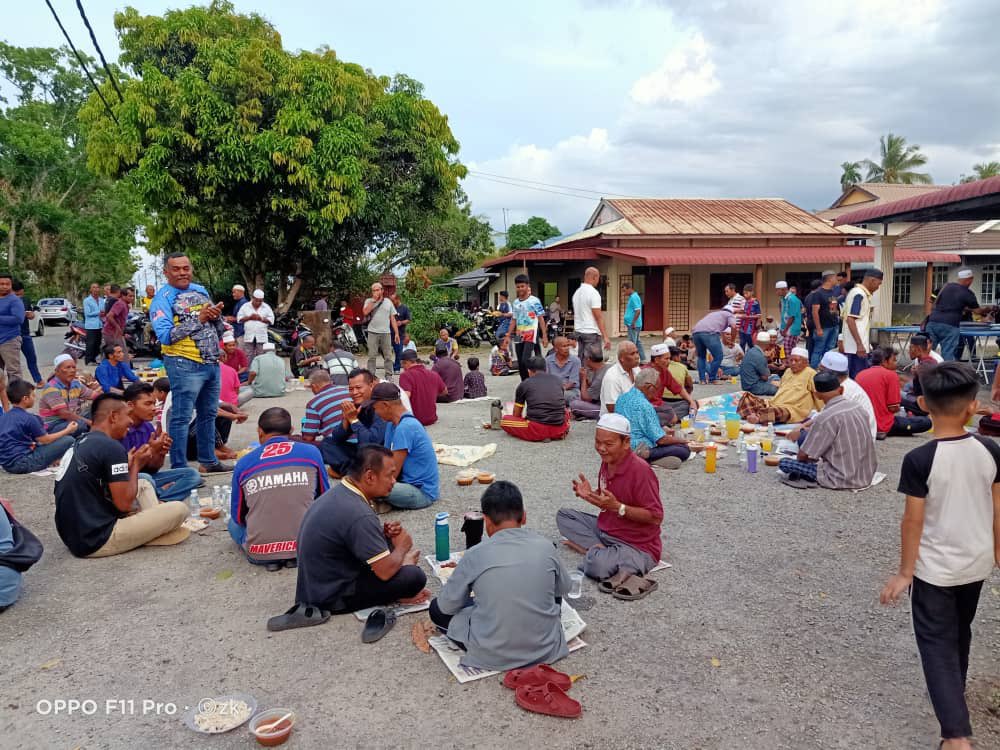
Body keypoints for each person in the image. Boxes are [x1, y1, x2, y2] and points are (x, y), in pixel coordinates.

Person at [879, 362, 1000, 750]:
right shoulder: (989, 449)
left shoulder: (920, 459)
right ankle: (955, 702)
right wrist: (998, 551)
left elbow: (912, 521)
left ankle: (955, 736)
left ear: (921, 405)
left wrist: (904, 572)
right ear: (972, 408)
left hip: (934, 570)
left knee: (935, 643)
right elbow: (999, 508)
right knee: (959, 633)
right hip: (977, 562)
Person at [268, 445, 428, 630]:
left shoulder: (342, 492)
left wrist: (383, 536)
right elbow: (384, 572)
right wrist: (402, 549)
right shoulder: (358, 513)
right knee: (414, 577)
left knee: (389, 548)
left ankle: (399, 566)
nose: (393, 481)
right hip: (333, 595)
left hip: (318, 583)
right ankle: (399, 581)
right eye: (389, 475)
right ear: (369, 477)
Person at [429, 481, 571, 671]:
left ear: (486, 521)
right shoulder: (546, 546)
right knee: (551, 589)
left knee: (436, 609)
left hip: (491, 653)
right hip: (545, 648)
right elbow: (564, 588)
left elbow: (447, 606)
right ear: (524, 516)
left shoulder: (475, 554)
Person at [53, 394, 190, 558]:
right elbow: (124, 505)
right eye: (127, 416)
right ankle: (152, 531)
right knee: (179, 509)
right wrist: (137, 465)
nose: (131, 422)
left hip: (74, 537)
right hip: (98, 539)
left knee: (143, 484)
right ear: (113, 417)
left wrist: (131, 464)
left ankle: (151, 526)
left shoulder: (82, 441)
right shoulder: (111, 447)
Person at [556, 413, 663, 589]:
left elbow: (655, 516)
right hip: (606, 530)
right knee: (564, 516)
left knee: (597, 567)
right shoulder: (608, 461)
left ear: (626, 443)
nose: (601, 448)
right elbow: (608, 501)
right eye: (598, 442)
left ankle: (593, 552)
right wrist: (590, 495)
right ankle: (600, 551)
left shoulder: (641, 471)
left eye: (608, 444)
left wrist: (618, 507)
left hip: (636, 545)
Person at [149, 253, 230, 473]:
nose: (183, 272)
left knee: (209, 414)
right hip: (184, 364)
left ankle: (208, 460)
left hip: (210, 363)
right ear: (166, 272)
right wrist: (200, 319)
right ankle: (179, 468)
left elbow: (213, 325)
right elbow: (166, 336)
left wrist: (216, 322)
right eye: (176, 269)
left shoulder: (200, 290)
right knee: (182, 417)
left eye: (186, 268)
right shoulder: (162, 299)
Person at [230, 407, 329, 571]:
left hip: (259, 552)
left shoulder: (244, 463)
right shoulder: (311, 452)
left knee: (232, 525)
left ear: (259, 431)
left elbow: (238, 516)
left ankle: (272, 558)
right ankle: (292, 555)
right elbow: (324, 498)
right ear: (291, 431)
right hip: (306, 546)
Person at [776, 371, 877, 489]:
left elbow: (802, 456)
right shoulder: (858, 407)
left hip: (840, 477)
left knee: (784, 463)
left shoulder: (825, 417)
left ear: (817, 395)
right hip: (867, 473)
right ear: (841, 390)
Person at [121, 383, 203, 502]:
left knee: (192, 474)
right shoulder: (121, 429)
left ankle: (160, 499)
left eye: (154, 403)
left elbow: (153, 469)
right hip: (127, 480)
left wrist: (160, 453)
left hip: (147, 477)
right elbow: (124, 472)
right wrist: (151, 449)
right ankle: (158, 495)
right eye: (148, 404)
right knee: (145, 478)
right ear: (130, 405)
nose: (154, 408)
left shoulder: (148, 427)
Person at [370, 383, 439, 509]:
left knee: (371, 485)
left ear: (385, 406)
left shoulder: (406, 427)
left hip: (421, 492)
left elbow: (392, 473)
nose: (375, 413)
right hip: (405, 484)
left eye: (375, 408)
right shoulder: (393, 424)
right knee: (367, 480)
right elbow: (385, 458)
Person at [614, 369, 691, 469]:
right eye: (657, 389)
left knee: (676, 454)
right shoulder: (645, 405)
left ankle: (648, 459)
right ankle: (645, 456)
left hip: (621, 445)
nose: (656, 394)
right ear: (649, 387)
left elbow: (639, 424)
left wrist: (661, 429)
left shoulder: (622, 397)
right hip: (639, 446)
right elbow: (661, 440)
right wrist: (682, 441)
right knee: (684, 450)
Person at [318, 368, 388, 476]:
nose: (354, 392)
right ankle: (353, 471)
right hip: (363, 451)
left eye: (358, 388)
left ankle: (352, 473)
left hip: (380, 454)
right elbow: (337, 438)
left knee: (365, 451)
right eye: (351, 389)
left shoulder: (381, 406)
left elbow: (371, 443)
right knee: (327, 443)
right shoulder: (360, 405)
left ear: (371, 386)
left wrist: (354, 420)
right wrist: (347, 419)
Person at [0, 379, 77, 474]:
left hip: (6, 464)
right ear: (25, 399)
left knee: (44, 442)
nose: (34, 398)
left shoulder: (4, 416)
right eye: (32, 395)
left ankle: (53, 459)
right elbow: (45, 440)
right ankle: (55, 460)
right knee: (68, 440)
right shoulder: (29, 418)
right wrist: (68, 430)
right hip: (23, 463)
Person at [856, 347, 932, 439]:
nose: (896, 364)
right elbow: (893, 408)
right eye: (894, 360)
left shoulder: (860, 375)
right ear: (884, 361)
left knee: (906, 403)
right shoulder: (890, 375)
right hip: (883, 425)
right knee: (926, 422)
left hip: (864, 425)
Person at [739, 347, 820, 425]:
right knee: (747, 397)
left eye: (796, 361)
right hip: (775, 402)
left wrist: (820, 411)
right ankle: (755, 414)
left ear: (806, 362)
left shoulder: (811, 374)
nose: (793, 363)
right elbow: (782, 387)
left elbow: (818, 394)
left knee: (778, 413)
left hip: (793, 408)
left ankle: (757, 416)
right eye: (791, 360)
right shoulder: (788, 371)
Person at [926, 268, 992, 362]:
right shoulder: (967, 293)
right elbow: (978, 311)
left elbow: (931, 300)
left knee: (928, 351)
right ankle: (947, 374)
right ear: (970, 279)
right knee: (948, 354)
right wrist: (988, 309)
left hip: (932, 322)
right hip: (950, 325)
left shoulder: (945, 286)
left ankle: (924, 372)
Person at [501, 355, 570, 442]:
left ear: (529, 371)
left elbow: (517, 414)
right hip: (559, 428)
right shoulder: (558, 380)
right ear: (546, 369)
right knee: (566, 412)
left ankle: (543, 436)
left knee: (504, 420)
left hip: (537, 429)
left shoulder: (524, 384)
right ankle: (556, 434)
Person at [818, 350, 877, 440]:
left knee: (805, 438)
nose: (818, 374)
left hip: (855, 441)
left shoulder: (845, 390)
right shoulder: (840, 385)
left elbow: (828, 422)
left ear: (829, 374)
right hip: (848, 433)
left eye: (821, 371)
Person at [38, 354, 100, 436]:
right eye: (67, 367)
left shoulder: (75, 383)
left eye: (74, 367)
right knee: (80, 425)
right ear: (57, 371)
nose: (72, 370)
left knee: (99, 409)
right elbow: (64, 414)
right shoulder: (51, 387)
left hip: (70, 420)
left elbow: (95, 396)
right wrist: (91, 423)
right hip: (54, 425)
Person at [505, 274, 549, 382]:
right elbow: (514, 320)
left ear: (527, 286)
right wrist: (508, 335)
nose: (520, 289)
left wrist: (544, 335)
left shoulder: (535, 301)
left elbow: (541, 319)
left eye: (522, 286)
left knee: (525, 360)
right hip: (519, 334)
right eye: (518, 286)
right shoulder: (515, 302)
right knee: (520, 361)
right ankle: (524, 383)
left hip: (531, 332)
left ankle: (533, 380)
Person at [843, 269, 883, 377]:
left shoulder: (859, 293)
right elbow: (850, 319)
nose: (878, 287)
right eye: (878, 284)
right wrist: (859, 344)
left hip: (856, 346)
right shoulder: (859, 294)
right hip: (856, 347)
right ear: (872, 280)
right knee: (858, 377)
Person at [644, 343, 697, 423]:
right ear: (656, 360)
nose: (669, 362)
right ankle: (663, 420)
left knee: (689, 404)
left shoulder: (664, 371)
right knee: (667, 412)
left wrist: (692, 402)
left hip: (660, 405)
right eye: (666, 359)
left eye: (669, 358)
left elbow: (679, 389)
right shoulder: (644, 372)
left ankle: (666, 419)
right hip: (648, 407)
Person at [301, 370, 351, 445]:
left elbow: (308, 437)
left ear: (314, 386)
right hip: (360, 439)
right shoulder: (347, 391)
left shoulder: (313, 403)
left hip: (338, 445)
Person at [399, 349, 447, 426]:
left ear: (406, 362)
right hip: (431, 418)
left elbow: (406, 396)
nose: (402, 367)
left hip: (414, 419)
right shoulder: (433, 374)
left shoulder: (405, 375)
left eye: (402, 364)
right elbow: (444, 392)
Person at [690, 307, 738, 384]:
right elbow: (734, 327)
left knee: (701, 357)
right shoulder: (729, 314)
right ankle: (712, 379)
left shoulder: (714, 313)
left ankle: (702, 380)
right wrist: (732, 340)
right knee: (718, 356)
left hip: (696, 333)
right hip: (710, 333)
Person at [362, 282, 399, 382]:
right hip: (372, 332)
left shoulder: (388, 302)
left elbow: (392, 318)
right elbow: (365, 312)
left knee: (388, 355)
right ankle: (371, 375)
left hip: (386, 332)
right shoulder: (369, 301)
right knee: (372, 355)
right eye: (374, 290)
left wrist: (396, 333)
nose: (376, 292)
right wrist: (374, 300)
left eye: (378, 290)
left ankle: (389, 374)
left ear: (382, 290)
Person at [9, 281, 41, 386]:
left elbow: (32, 315)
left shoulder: (25, 300)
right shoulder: (6, 301)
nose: (19, 296)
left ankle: (38, 380)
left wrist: (29, 314)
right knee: (12, 363)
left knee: (32, 358)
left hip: (25, 334)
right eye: (16, 294)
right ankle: (14, 384)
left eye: (20, 294)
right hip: (10, 335)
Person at [571, 267, 610, 353]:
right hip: (591, 332)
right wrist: (605, 336)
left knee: (582, 361)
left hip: (578, 331)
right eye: (598, 278)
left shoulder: (577, 293)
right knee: (593, 363)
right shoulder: (593, 293)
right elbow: (598, 317)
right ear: (595, 277)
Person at [569, 346, 611, 420]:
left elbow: (585, 398)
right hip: (604, 401)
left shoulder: (600, 377)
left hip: (608, 410)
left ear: (588, 359)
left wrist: (583, 378)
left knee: (574, 404)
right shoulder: (608, 366)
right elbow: (591, 390)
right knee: (576, 397)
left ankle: (589, 414)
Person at [808, 271, 840, 368]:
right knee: (818, 350)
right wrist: (818, 328)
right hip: (823, 327)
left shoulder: (833, 292)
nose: (836, 280)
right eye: (835, 278)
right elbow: (815, 311)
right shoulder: (818, 293)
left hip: (834, 325)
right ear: (829, 279)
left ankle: (826, 369)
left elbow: (834, 308)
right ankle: (813, 371)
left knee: (829, 350)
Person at [600, 341, 640, 415]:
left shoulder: (636, 369)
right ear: (622, 358)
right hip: (616, 419)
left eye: (637, 352)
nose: (637, 356)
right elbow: (612, 408)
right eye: (632, 354)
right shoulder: (612, 377)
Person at [237, 289, 275, 363]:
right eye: (256, 300)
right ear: (253, 298)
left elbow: (271, 320)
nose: (258, 302)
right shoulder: (245, 306)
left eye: (260, 301)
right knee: (248, 355)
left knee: (261, 355)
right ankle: (248, 372)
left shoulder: (266, 307)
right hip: (249, 335)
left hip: (261, 336)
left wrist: (261, 319)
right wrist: (249, 318)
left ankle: (260, 372)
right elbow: (239, 319)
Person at [0, 273, 25, 381]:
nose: (4, 286)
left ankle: (17, 397)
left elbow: (18, 319)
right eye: (1, 284)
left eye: (7, 284)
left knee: (13, 372)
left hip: (9, 340)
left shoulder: (14, 300)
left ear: (11, 285)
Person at [545, 336, 581, 404]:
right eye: (564, 346)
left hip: (571, 391)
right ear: (556, 348)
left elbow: (572, 382)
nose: (567, 348)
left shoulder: (575, 361)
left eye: (568, 345)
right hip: (552, 391)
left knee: (555, 396)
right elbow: (546, 380)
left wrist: (557, 391)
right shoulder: (548, 360)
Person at [741, 331, 778, 396]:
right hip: (753, 387)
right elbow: (765, 377)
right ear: (767, 343)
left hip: (746, 384)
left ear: (757, 341)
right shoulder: (760, 356)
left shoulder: (751, 351)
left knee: (775, 377)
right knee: (777, 388)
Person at [775, 280, 802, 361]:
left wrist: (785, 330)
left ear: (783, 289)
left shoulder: (792, 299)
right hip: (787, 328)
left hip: (792, 328)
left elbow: (792, 317)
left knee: (787, 349)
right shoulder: (784, 299)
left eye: (777, 290)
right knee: (791, 349)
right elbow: (783, 313)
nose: (776, 292)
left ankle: (789, 367)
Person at [102, 285, 130, 354]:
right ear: (118, 292)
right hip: (113, 332)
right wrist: (118, 328)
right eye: (130, 296)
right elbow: (110, 316)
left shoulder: (108, 300)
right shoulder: (116, 301)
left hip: (109, 330)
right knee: (118, 354)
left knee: (111, 354)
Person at [623, 281, 645, 362]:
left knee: (632, 343)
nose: (624, 293)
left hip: (634, 325)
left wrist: (633, 322)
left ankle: (632, 360)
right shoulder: (632, 297)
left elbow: (638, 311)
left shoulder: (634, 297)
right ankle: (643, 359)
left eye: (625, 290)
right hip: (634, 324)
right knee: (638, 342)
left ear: (630, 289)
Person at [82, 283, 104, 365]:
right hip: (91, 325)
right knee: (90, 343)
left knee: (97, 343)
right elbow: (87, 313)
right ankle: (88, 360)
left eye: (97, 287)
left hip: (100, 324)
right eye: (93, 287)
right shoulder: (87, 300)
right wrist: (98, 312)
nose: (96, 289)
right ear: (91, 290)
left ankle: (94, 359)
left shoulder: (102, 300)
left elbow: (104, 311)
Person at [391, 294, 411, 373]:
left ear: (398, 299)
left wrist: (401, 322)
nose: (392, 302)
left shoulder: (404, 308)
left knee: (398, 351)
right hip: (388, 333)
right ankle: (390, 365)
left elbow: (409, 319)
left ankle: (397, 368)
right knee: (384, 351)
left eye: (393, 300)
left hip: (400, 333)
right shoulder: (391, 308)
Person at [738, 284, 760, 350]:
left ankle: (752, 356)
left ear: (752, 292)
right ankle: (742, 358)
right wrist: (740, 313)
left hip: (750, 326)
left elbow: (758, 315)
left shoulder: (755, 302)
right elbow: (746, 312)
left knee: (750, 343)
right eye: (744, 293)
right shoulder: (746, 302)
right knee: (742, 343)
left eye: (746, 293)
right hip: (743, 324)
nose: (745, 295)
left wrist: (747, 317)